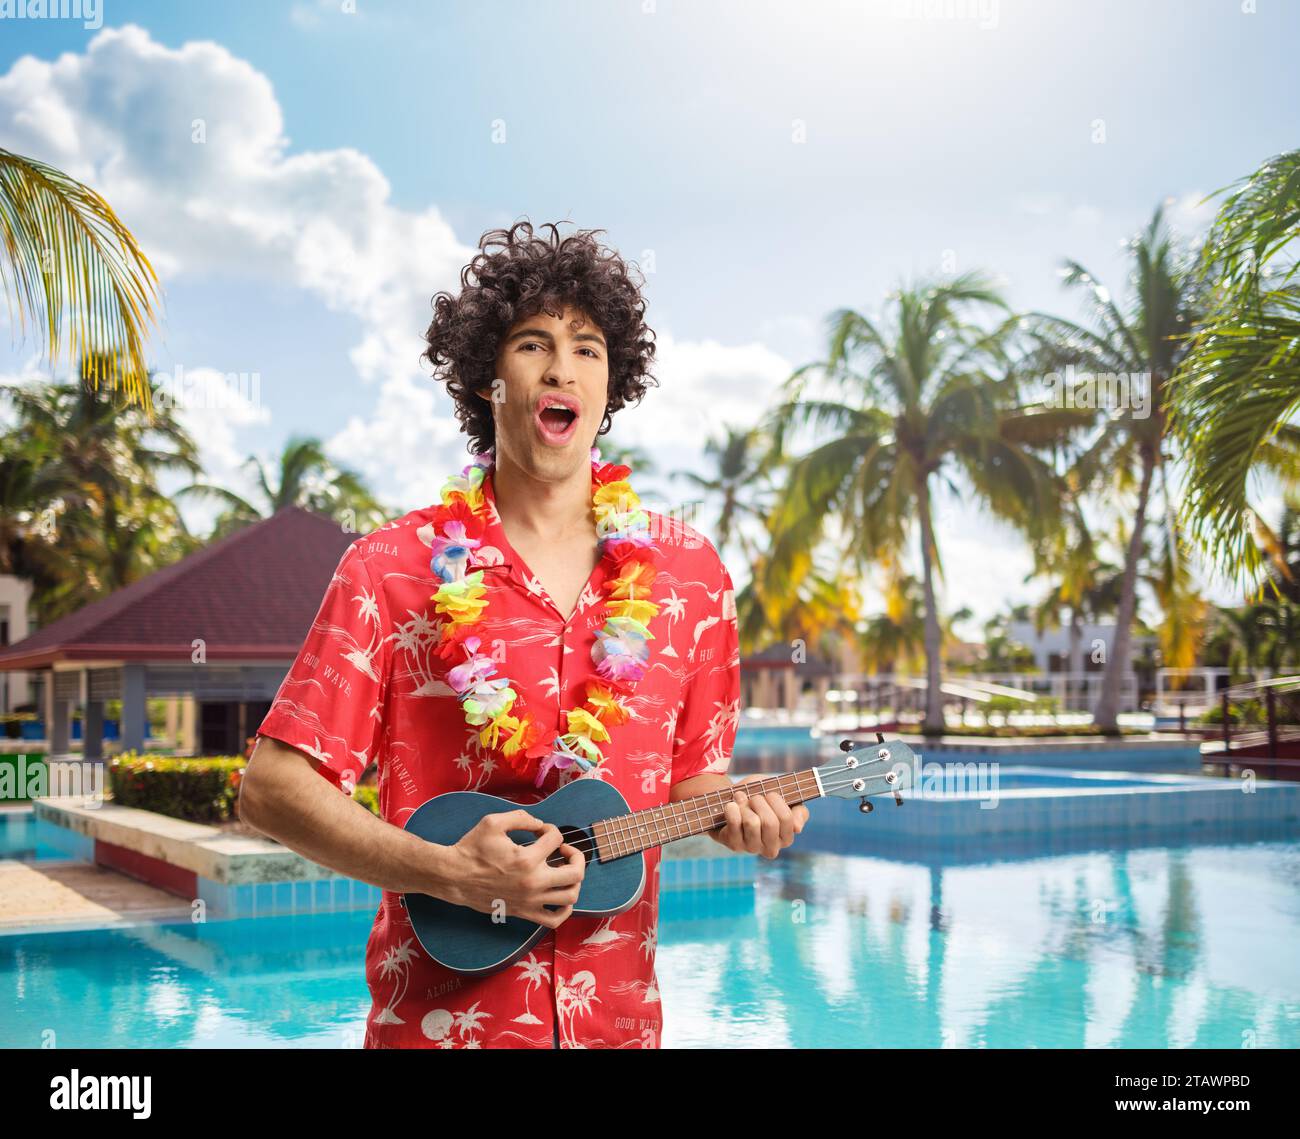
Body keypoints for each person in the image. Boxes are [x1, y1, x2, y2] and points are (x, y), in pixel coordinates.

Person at [238, 220, 808, 1049]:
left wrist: (743, 816)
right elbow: (271, 789)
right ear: (485, 381)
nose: (560, 367)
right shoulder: (389, 569)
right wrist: (448, 871)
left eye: (587, 348)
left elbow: (692, 785)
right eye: (532, 344)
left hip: (618, 1025)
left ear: (611, 385)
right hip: (436, 1028)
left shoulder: (692, 577)